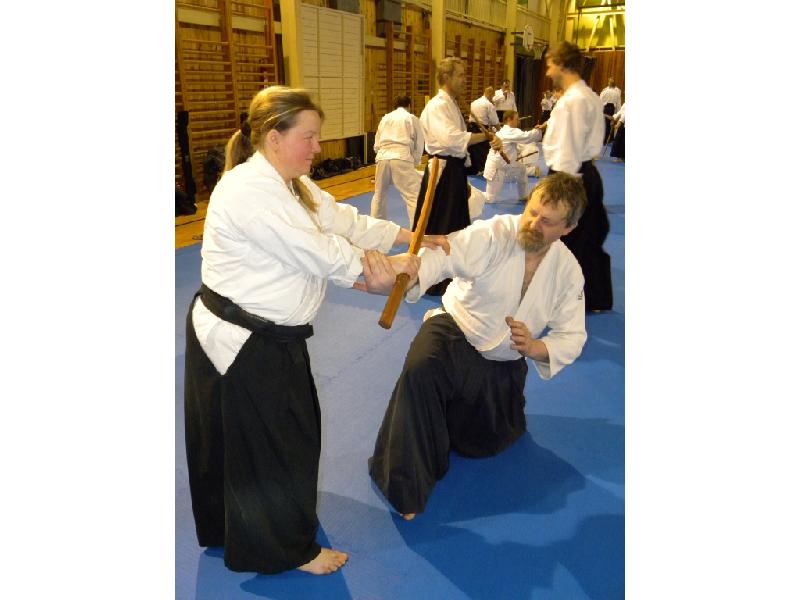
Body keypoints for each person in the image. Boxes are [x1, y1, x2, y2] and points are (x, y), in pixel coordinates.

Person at [184, 86, 428, 577]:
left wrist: (406, 237)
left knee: (253, 442)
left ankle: (234, 526)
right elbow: (320, 251)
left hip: (264, 336)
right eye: (309, 136)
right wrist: (385, 270)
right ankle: (286, 550)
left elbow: (340, 220)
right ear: (274, 137)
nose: (319, 146)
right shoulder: (249, 191)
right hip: (242, 340)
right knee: (277, 446)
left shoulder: (292, 182)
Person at [368, 173, 589, 519]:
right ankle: (404, 488)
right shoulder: (495, 233)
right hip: (455, 328)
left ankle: (452, 420)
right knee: (420, 371)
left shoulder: (568, 271)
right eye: (532, 211)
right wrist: (410, 274)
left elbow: (572, 335)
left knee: (486, 441)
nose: (533, 224)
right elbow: (446, 253)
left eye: (547, 221)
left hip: (504, 356)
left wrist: (534, 347)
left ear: (569, 228)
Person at [415, 57, 501, 296]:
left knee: (455, 225)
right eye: (461, 75)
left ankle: (451, 274)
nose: (465, 80)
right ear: (446, 77)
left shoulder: (451, 104)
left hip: (453, 171)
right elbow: (451, 140)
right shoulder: (437, 106)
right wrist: (486, 137)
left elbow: (458, 142)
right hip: (441, 173)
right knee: (440, 225)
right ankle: (432, 278)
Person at [542, 41, 613, 312]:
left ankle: (567, 300)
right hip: (586, 174)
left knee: (567, 241)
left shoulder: (572, 101)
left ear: (562, 64)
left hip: (570, 177)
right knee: (588, 238)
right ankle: (593, 297)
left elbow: (567, 151)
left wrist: (557, 191)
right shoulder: (590, 96)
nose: (548, 71)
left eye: (550, 65)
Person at [370, 95, 425, 227]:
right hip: (401, 157)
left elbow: (376, 144)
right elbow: (420, 143)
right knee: (413, 196)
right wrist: (415, 161)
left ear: (395, 105)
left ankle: (376, 228)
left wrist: (381, 154)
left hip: (382, 157)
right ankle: (417, 230)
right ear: (409, 105)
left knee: (379, 195)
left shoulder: (385, 119)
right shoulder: (411, 118)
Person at [484, 111, 542, 204]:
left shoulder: (505, 131)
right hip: (496, 168)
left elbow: (516, 145)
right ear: (509, 120)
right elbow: (527, 137)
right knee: (489, 198)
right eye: (516, 119)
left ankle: (523, 195)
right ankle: (469, 194)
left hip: (507, 165)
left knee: (521, 169)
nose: (518, 121)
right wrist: (538, 130)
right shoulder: (509, 131)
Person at [467, 86, 501, 175]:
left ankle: (473, 169)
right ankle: (482, 169)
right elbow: (495, 122)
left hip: (471, 128)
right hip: (481, 129)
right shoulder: (488, 104)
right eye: (493, 96)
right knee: (483, 149)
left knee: (472, 149)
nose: (493, 98)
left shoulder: (474, 102)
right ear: (490, 94)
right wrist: (501, 131)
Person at [599, 78, 622, 144]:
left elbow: (600, 101)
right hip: (612, 109)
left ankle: (602, 139)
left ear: (609, 83)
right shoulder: (617, 93)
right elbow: (618, 104)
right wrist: (617, 113)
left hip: (605, 108)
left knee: (603, 124)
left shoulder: (604, 92)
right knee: (609, 124)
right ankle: (607, 140)